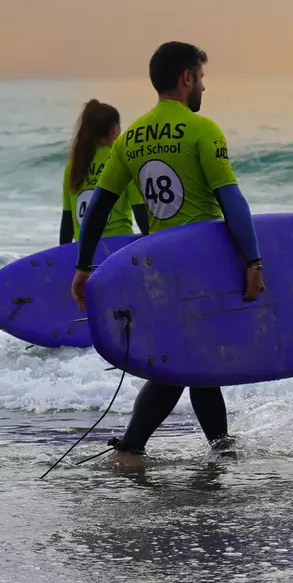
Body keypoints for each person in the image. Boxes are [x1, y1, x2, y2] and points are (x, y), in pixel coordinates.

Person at [70, 43, 265, 459]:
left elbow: (98, 209)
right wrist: (253, 260)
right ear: (187, 78)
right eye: (201, 78)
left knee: (196, 360)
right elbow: (231, 199)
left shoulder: (131, 139)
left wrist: (83, 265)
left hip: (159, 266)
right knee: (190, 362)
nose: (203, 88)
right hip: (203, 263)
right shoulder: (202, 130)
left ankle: (214, 448)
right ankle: (138, 447)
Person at [61, 99, 150, 245]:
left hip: (84, 253)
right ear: (115, 129)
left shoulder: (73, 166)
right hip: (117, 249)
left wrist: (62, 257)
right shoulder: (121, 160)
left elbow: (67, 223)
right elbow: (140, 212)